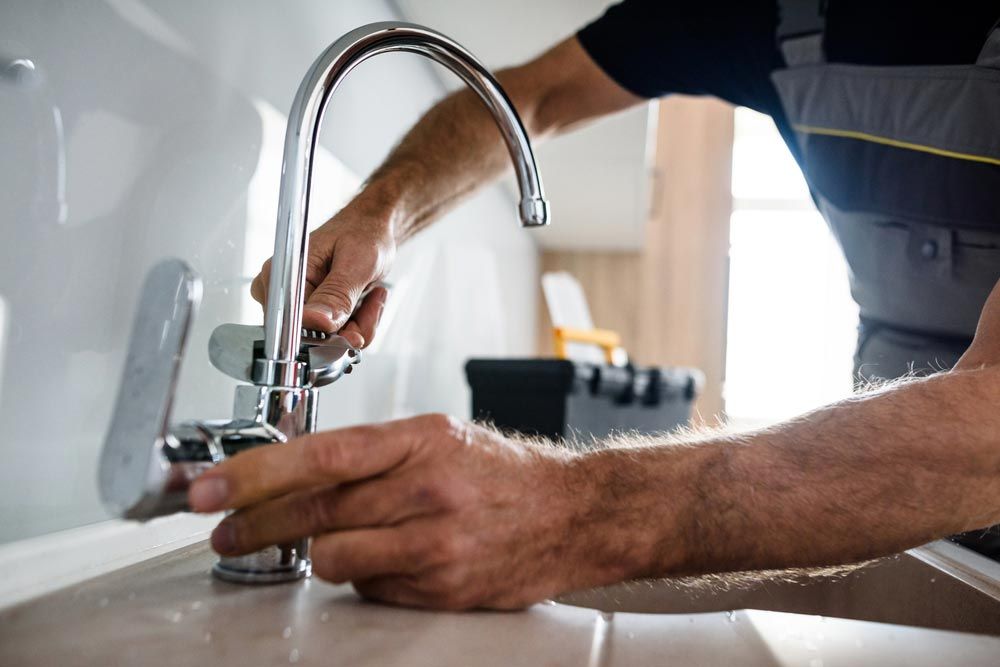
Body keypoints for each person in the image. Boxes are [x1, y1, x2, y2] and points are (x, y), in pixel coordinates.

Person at [187, 0, 1000, 610]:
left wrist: (564, 510)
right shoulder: (770, 11)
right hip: (902, 494)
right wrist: (387, 212)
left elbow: (992, 424)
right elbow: (534, 97)